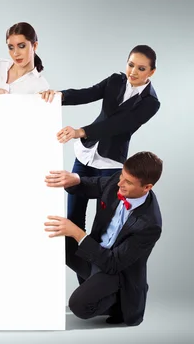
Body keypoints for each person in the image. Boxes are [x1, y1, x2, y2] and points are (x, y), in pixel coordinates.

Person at [40, 45, 160, 232]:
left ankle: (94, 261)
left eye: (141, 68)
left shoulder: (151, 103)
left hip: (110, 164)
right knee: (73, 215)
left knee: (103, 222)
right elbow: (88, 93)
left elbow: (119, 124)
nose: (133, 72)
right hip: (86, 154)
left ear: (151, 72)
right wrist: (59, 96)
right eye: (131, 65)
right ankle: (72, 259)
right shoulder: (115, 80)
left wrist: (80, 131)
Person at [44, 151, 163, 326]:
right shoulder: (120, 180)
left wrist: (77, 233)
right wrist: (75, 179)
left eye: (128, 182)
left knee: (78, 306)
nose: (119, 184)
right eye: (121, 176)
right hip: (96, 254)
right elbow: (98, 184)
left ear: (147, 187)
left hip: (116, 272)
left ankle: (116, 303)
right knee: (56, 238)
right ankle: (94, 284)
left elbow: (113, 263)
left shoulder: (150, 225)